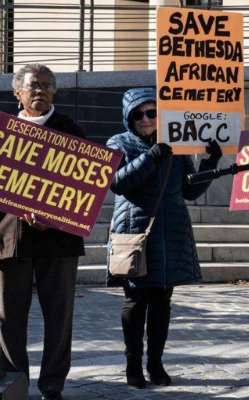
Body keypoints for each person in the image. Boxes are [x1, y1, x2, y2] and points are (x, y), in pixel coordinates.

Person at [106, 87, 221, 389]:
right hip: (135, 232)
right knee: (135, 300)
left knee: (162, 301)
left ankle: (155, 363)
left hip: (170, 232)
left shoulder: (177, 143)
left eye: (152, 112)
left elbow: (190, 190)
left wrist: (209, 164)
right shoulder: (118, 142)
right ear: (128, 117)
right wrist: (150, 157)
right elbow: (117, 183)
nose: (145, 119)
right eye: (138, 114)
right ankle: (133, 364)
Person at [0, 63, 85, 400]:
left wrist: (54, 217)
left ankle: (52, 385)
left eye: (48, 86)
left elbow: (83, 186)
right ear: (17, 92)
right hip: (10, 238)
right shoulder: (4, 134)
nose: (41, 91)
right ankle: (14, 383)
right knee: (7, 318)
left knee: (59, 316)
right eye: (34, 85)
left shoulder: (71, 130)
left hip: (60, 240)